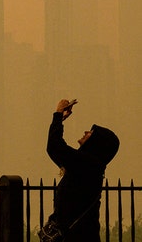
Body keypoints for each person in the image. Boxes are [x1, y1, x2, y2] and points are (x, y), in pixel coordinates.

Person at [45, 99, 119, 241]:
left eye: (91, 133)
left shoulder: (87, 164)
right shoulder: (89, 166)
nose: (86, 132)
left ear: (98, 143)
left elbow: (55, 147)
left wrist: (58, 114)